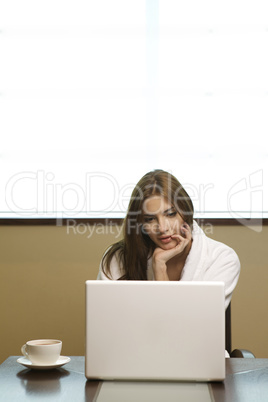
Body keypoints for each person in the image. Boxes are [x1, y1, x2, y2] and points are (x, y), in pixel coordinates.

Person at [97, 169, 240, 310]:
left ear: (186, 212)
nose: (162, 228)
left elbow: (194, 326)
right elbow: (104, 323)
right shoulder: (117, 258)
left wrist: (160, 270)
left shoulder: (222, 259)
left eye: (170, 214)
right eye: (150, 219)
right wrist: (159, 263)